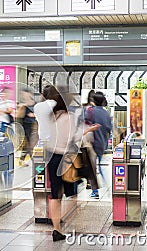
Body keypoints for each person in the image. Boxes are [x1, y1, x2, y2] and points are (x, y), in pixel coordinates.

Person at [34, 85, 99, 241]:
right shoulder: (68, 117)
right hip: (67, 158)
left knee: (55, 195)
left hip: (51, 157)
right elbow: (74, 138)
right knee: (72, 195)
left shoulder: (47, 116)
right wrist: (88, 131)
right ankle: (62, 217)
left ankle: (56, 227)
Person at [89, 92, 112, 199]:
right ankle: (107, 185)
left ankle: (95, 190)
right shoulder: (106, 113)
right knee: (99, 165)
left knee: (92, 168)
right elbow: (109, 129)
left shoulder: (91, 111)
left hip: (91, 143)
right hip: (102, 143)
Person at [18, 88, 36, 166]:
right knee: (29, 144)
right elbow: (19, 116)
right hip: (26, 126)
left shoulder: (34, 103)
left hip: (34, 126)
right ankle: (32, 160)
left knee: (30, 145)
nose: (23, 96)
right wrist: (22, 108)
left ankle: (23, 160)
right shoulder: (22, 104)